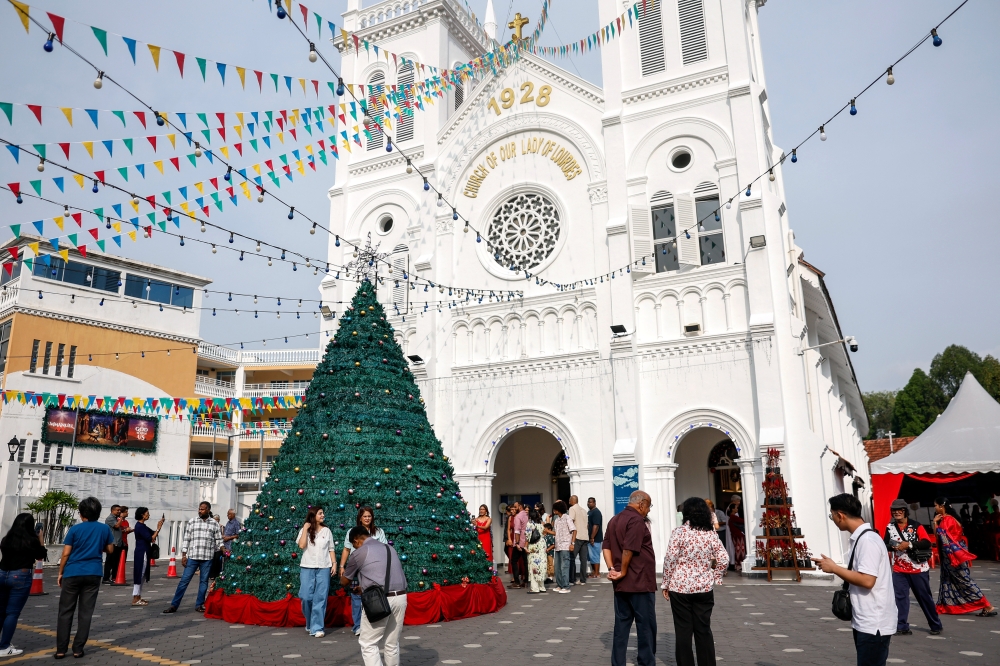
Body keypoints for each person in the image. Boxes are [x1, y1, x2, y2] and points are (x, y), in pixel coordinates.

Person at [812, 493, 895, 666]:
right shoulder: (863, 538)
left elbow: (867, 581)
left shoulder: (867, 540)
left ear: (840, 515)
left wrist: (835, 568)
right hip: (866, 619)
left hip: (874, 623)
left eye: (832, 515)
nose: (833, 520)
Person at [662, 497, 728, 666]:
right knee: (703, 629)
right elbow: (723, 558)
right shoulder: (710, 534)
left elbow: (670, 559)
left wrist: (666, 583)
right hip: (703, 588)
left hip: (680, 587)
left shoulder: (678, 532)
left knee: (683, 630)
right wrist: (716, 577)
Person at [56, 496, 115, 659]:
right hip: (94, 573)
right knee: (85, 613)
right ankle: (78, 649)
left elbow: (66, 553)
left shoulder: (75, 529)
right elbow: (110, 550)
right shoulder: (104, 529)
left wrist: (60, 572)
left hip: (73, 572)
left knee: (65, 611)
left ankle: (61, 649)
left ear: (82, 514)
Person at [603, 490, 657, 666]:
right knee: (646, 626)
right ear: (641, 504)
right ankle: (646, 661)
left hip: (621, 583)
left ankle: (618, 662)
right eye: (648, 506)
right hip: (639, 582)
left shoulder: (614, 519)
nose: (648, 510)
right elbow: (629, 549)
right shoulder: (636, 520)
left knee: (621, 625)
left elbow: (606, 547)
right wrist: (623, 570)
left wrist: (612, 568)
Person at [340, 526, 407, 666]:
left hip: (379, 600)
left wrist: (343, 572)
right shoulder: (389, 548)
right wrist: (363, 587)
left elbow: (345, 581)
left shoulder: (359, 552)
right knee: (392, 643)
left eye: (353, 545)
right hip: (401, 597)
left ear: (356, 540)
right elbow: (383, 575)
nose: (354, 548)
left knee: (368, 643)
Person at [883, 499, 941, 636]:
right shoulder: (889, 527)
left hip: (917, 568)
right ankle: (901, 626)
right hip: (899, 569)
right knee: (899, 598)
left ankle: (935, 624)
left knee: (924, 597)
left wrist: (909, 545)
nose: (897, 512)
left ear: (905, 511)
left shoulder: (916, 526)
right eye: (894, 510)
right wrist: (893, 546)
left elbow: (927, 542)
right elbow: (884, 544)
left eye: (900, 510)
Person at [932, 497, 997, 616]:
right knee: (949, 580)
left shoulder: (947, 520)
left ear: (942, 506)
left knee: (964, 580)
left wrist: (935, 523)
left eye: (935, 505)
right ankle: (947, 606)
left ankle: (986, 604)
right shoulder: (952, 518)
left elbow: (942, 537)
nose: (934, 507)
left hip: (953, 556)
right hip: (956, 553)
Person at [0, 513, 48, 656]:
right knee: (12, 613)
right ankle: (4, 647)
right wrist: (40, 538)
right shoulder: (31, 541)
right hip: (20, 576)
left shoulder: (6, 539)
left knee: (1, 611)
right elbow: (41, 555)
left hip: (2, 573)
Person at [162, 501, 222, 614]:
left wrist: (222, 548)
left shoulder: (214, 523)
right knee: (184, 581)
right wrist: (184, 555)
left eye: (203, 509)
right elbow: (187, 539)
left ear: (208, 510)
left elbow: (218, 540)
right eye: (199, 509)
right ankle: (174, 605)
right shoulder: (192, 522)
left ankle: (199, 604)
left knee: (203, 582)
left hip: (207, 558)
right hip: (193, 557)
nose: (200, 511)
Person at [339, 506, 388, 636]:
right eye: (365, 516)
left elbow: (385, 548)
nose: (367, 518)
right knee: (356, 596)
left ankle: (375, 624)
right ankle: (358, 626)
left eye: (369, 516)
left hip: (373, 568)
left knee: (373, 593)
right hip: (356, 568)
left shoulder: (378, 532)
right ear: (360, 518)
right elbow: (346, 549)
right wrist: (342, 566)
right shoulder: (352, 531)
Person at [298, 507, 336, 638]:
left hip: (324, 567)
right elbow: (302, 545)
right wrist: (305, 528)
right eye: (320, 513)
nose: (323, 515)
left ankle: (317, 627)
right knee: (305, 596)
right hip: (307, 566)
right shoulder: (305, 530)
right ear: (313, 515)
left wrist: (334, 563)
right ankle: (309, 622)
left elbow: (331, 548)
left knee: (320, 598)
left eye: (323, 513)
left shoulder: (327, 531)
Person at [131, 508, 164, 607]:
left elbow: (153, 533)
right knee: (140, 574)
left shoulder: (143, 526)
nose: (148, 515)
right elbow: (151, 538)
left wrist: (159, 527)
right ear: (142, 515)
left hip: (144, 551)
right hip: (142, 552)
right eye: (147, 513)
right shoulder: (139, 526)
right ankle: (135, 597)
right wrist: (158, 528)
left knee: (143, 574)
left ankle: (138, 596)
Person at [551, 501, 575, 593]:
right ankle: (560, 585)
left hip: (565, 545)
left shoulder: (567, 518)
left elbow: (574, 530)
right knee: (557, 567)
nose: (554, 511)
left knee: (564, 566)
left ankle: (566, 586)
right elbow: (555, 532)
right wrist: (547, 531)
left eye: (555, 509)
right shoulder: (556, 520)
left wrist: (572, 543)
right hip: (558, 545)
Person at [567, 495, 589, 585]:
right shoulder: (584, 510)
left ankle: (572, 579)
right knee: (583, 559)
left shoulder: (572, 509)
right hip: (585, 536)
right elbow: (587, 524)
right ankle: (583, 580)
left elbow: (570, 521)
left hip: (577, 536)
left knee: (572, 558)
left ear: (572, 501)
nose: (568, 501)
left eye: (569, 500)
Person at [525, 508, 547, 593]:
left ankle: (534, 588)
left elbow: (528, 537)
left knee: (533, 567)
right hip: (541, 545)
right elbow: (544, 533)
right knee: (541, 566)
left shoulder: (529, 524)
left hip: (534, 546)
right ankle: (542, 586)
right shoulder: (541, 524)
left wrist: (525, 547)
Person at [102, 505, 123, 584]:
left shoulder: (115, 518)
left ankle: (114, 577)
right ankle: (106, 578)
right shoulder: (110, 518)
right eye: (117, 510)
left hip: (117, 543)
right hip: (112, 543)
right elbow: (117, 526)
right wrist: (121, 518)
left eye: (120, 510)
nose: (119, 512)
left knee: (115, 562)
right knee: (109, 561)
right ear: (112, 510)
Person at [509, 502, 529, 589]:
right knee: (526, 562)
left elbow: (517, 531)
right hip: (527, 542)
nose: (514, 508)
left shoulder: (518, 517)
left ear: (520, 507)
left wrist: (516, 543)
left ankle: (517, 582)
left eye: (515, 507)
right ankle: (526, 581)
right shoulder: (527, 515)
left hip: (520, 542)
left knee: (513, 561)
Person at [725, 495, 745, 571]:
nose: (739, 503)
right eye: (738, 501)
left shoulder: (731, 514)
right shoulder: (732, 515)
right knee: (739, 550)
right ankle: (738, 564)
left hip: (734, 533)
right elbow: (741, 521)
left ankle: (736, 563)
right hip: (736, 533)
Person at [587, 497, 603, 578]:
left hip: (595, 539)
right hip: (590, 538)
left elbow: (596, 525)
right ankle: (594, 572)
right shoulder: (590, 512)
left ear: (594, 503)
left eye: (590, 502)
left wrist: (592, 537)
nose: (589, 503)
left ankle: (597, 573)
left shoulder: (596, 512)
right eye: (588, 502)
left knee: (595, 556)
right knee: (591, 556)